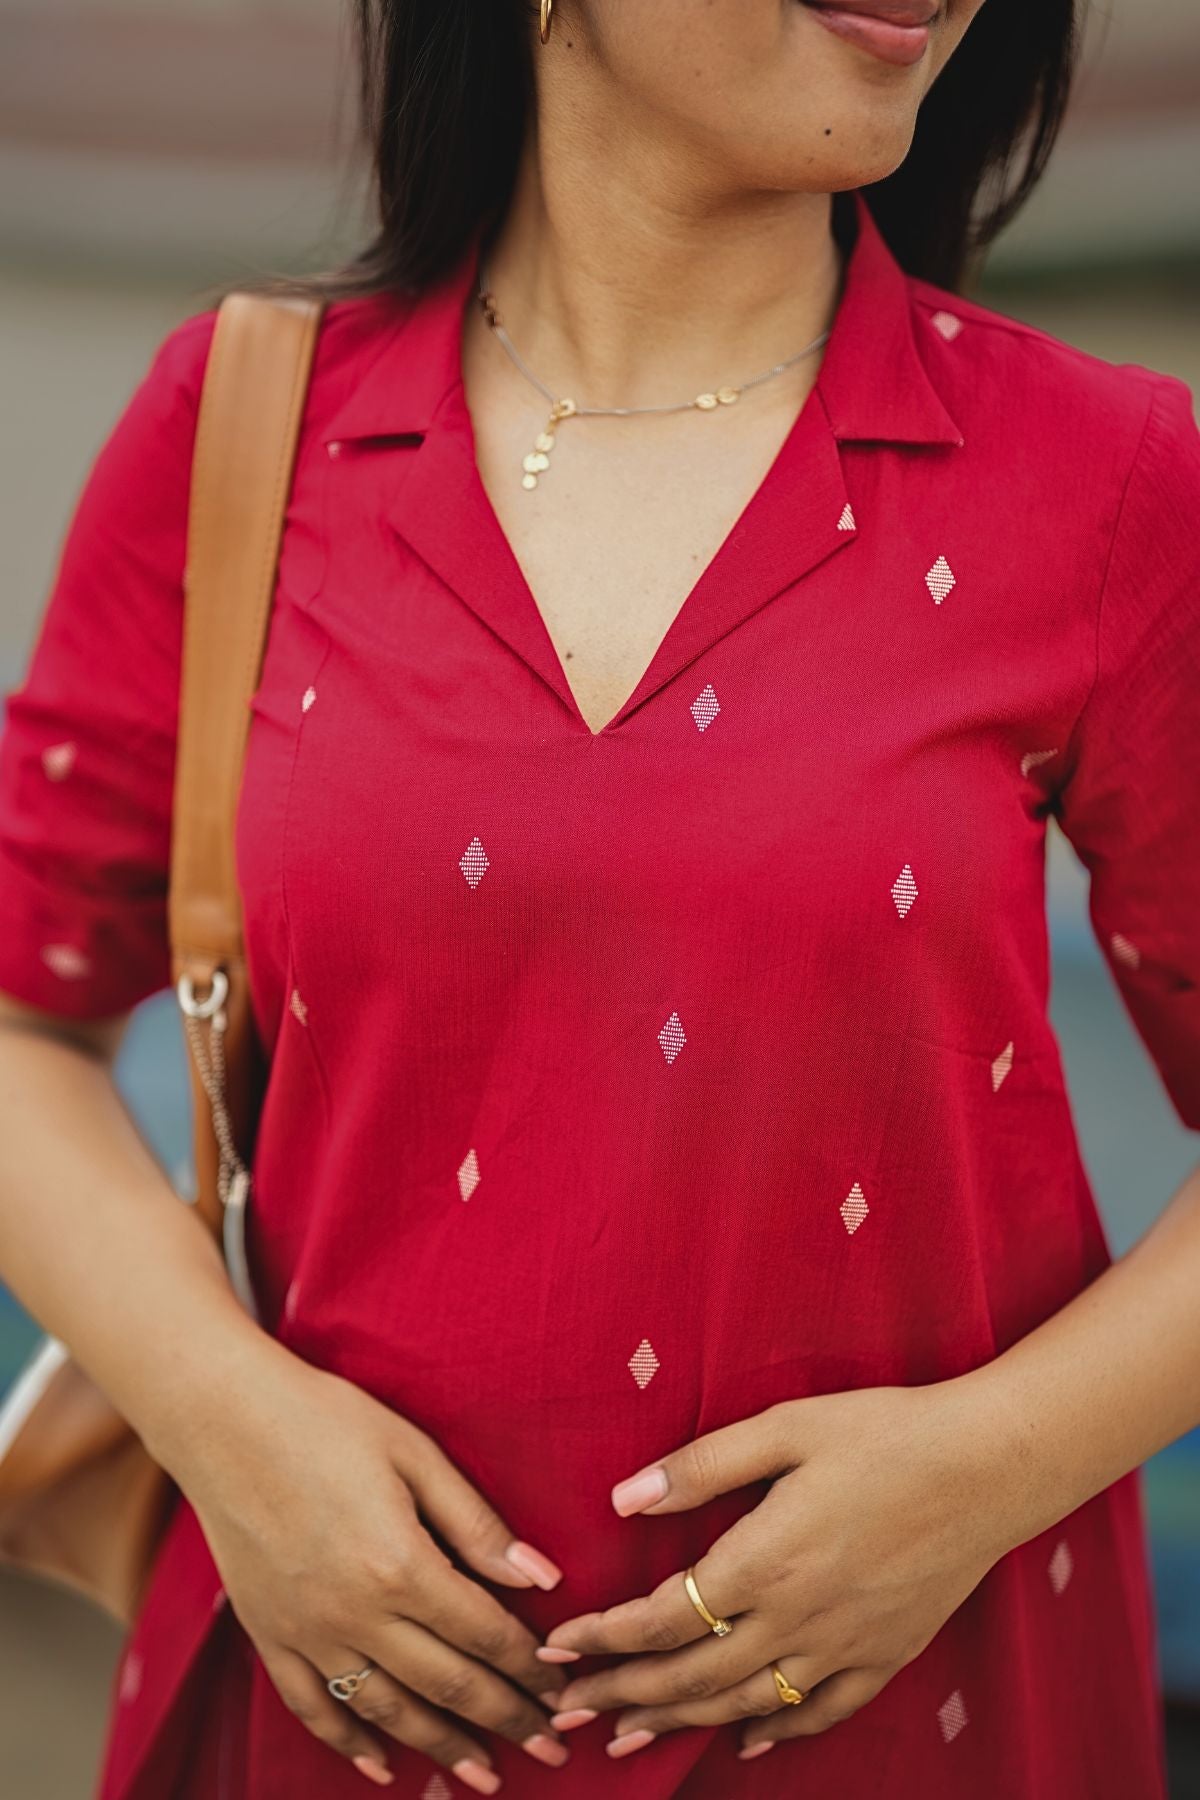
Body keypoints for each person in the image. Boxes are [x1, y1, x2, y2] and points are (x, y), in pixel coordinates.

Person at [0, 1, 1198, 1795]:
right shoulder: (242, 425)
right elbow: (22, 1016)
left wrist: (987, 1470)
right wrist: (227, 1422)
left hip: (924, 1717)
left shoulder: (1109, 482)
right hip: (343, 1724)